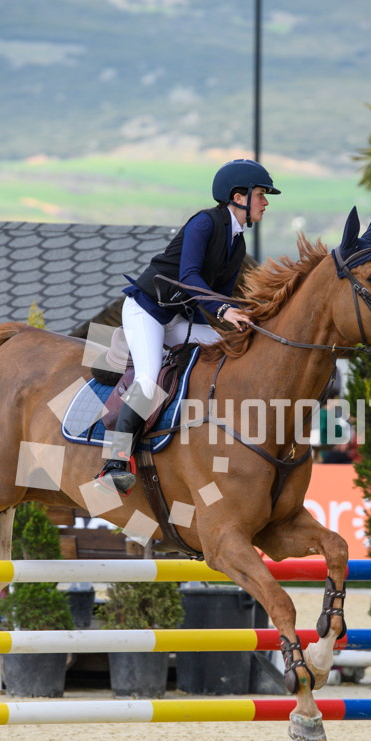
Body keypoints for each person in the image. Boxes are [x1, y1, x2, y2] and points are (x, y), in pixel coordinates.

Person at [94, 158, 281, 494]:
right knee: (148, 379)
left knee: (226, 354)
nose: (265, 202)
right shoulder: (204, 223)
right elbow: (190, 276)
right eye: (261, 195)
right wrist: (224, 310)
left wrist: (244, 315)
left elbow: (220, 295)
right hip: (146, 309)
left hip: (179, 318)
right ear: (238, 196)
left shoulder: (237, 243)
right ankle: (114, 462)